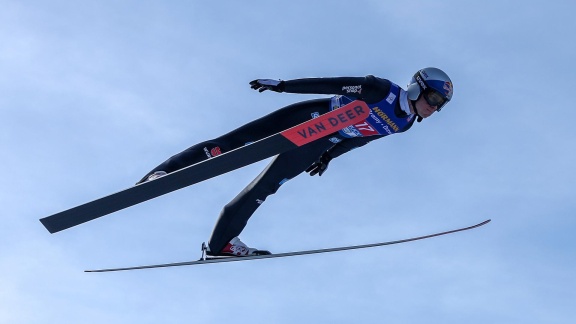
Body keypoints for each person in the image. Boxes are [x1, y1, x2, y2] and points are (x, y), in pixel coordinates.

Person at [137, 67, 454, 257]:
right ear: (417, 87)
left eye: (440, 106)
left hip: (321, 141)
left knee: (265, 188)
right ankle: (161, 174)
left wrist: (330, 155)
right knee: (230, 145)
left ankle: (221, 244)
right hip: (309, 118)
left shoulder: (404, 124)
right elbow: (332, 84)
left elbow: (363, 137)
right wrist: (284, 86)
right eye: (434, 99)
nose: (434, 108)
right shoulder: (380, 90)